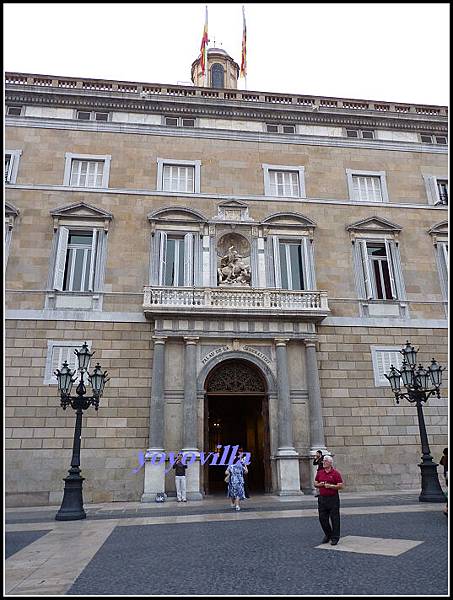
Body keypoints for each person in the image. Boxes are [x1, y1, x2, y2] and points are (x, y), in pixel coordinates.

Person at [314, 455, 343, 545]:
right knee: (322, 519)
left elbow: (341, 485)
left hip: (333, 498)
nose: (323, 462)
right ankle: (328, 534)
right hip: (322, 498)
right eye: (323, 461)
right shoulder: (320, 473)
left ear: (330, 463)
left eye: (325, 461)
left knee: (335, 519)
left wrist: (331, 486)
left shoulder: (336, 473)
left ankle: (335, 537)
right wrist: (320, 484)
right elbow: (315, 483)